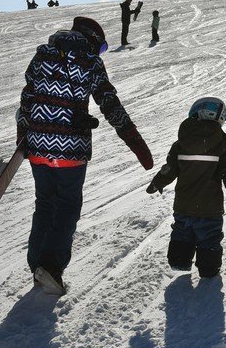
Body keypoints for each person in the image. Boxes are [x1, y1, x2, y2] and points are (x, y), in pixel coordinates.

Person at [16, 16, 153, 294]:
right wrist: (135, 141)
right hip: (70, 151)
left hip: (38, 147)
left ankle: (37, 266)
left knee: (44, 203)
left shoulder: (42, 55)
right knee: (67, 205)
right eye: (101, 47)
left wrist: (24, 136)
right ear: (91, 39)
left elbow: (27, 98)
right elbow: (108, 102)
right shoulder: (91, 61)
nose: (100, 53)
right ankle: (51, 267)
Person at [146, 97, 226, 278]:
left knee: (182, 231)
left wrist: (158, 182)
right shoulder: (223, 145)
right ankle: (208, 269)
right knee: (209, 236)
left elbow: (170, 169)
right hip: (210, 207)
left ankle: (179, 260)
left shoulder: (181, 144)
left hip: (184, 204)